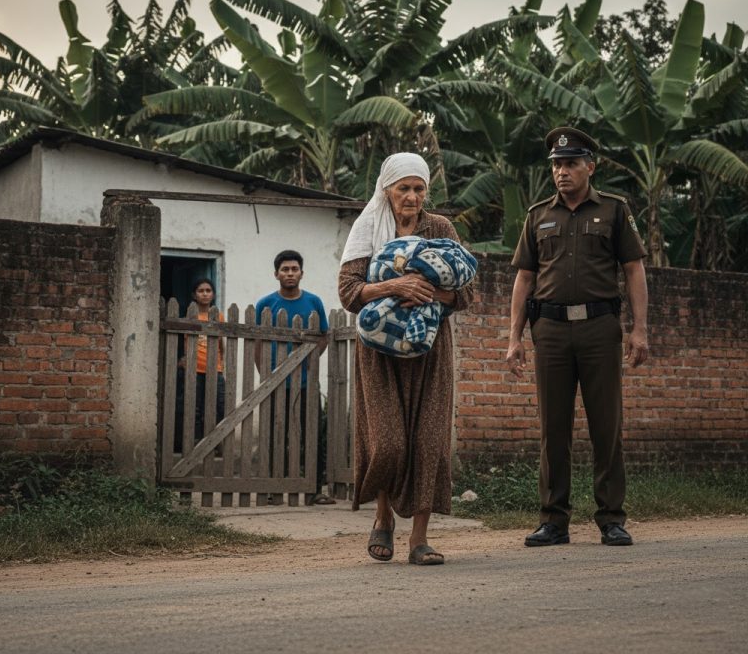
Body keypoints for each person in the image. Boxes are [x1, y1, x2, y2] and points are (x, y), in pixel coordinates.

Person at [506, 126, 649, 547]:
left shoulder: (614, 210)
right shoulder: (537, 216)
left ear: (590, 166)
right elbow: (524, 278)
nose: (562, 172)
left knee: (607, 425)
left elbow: (634, 270)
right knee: (553, 428)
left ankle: (611, 518)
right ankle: (554, 521)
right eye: (556, 164)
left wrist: (639, 330)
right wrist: (514, 338)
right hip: (548, 330)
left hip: (600, 329)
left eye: (570, 163)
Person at [338, 152, 474, 565]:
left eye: (419, 189)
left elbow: (464, 292)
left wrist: (429, 292)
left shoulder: (440, 228)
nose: (412, 197)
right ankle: (382, 516)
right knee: (389, 441)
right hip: (378, 351)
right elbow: (348, 292)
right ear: (387, 191)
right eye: (404, 189)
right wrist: (396, 286)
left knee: (429, 441)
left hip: (430, 349)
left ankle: (419, 538)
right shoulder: (368, 229)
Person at [255, 250, 333, 505]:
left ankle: (315, 489)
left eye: (294, 269)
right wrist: (265, 374)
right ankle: (271, 488)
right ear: (276, 274)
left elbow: (324, 335)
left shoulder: (313, 302)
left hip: (306, 383)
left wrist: (309, 361)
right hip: (276, 382)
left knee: (312, 434)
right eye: (285, 269)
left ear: (302, 273)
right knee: (274, 434)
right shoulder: (265, 304)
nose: (290, 273)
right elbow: (258, 341)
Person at [175, 278, 225, 452]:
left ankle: (214, 445)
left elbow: (221, 344)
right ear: (194, 295)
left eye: (208, 290)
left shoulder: (218, 316)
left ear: (213, 294)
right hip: (193, 369)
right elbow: (180, 340)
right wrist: (180, 359)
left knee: (217, 406)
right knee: (192, 407)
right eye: (201, 290)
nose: (205, 293)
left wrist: (221, 363)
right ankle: (190, 445)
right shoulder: (189, 315)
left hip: (214, 369)